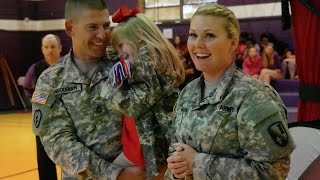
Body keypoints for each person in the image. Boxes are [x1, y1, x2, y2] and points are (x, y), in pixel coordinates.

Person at [165, 4, 295, 179]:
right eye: (193, 35)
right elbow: (177, 154)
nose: (198, 44)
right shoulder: (187, 93)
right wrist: (177, 169)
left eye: (209, 35)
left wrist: (198, 163)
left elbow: (273, 171)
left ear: (233, 42)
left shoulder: (254, 97)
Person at [32, 1, 147, 179]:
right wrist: (116, 175)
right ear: (70, 28)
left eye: (106, 26)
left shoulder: (125, 64)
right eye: (92, 27)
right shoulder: (50, 80)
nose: (102, 35)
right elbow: (58, 141)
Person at [100, 6, 185, 179]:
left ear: (138, 37)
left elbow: (135, 105)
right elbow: (113, 53)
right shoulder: (148, 56)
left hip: (146, 148)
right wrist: (116, 44)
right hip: (141, 145)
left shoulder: (147, 61)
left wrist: (109, 89)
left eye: (121, 46)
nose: (120, 55)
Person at [23, 34, 62, 180]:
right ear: (42, 49)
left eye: (53, 47)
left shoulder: (69, 66)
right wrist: (42, 100)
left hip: (67, 119)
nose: (50, 50)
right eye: (46, 47)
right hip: (43, 120)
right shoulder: (35, 68)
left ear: (60, 48)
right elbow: (27, 87)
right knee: (44, 157)